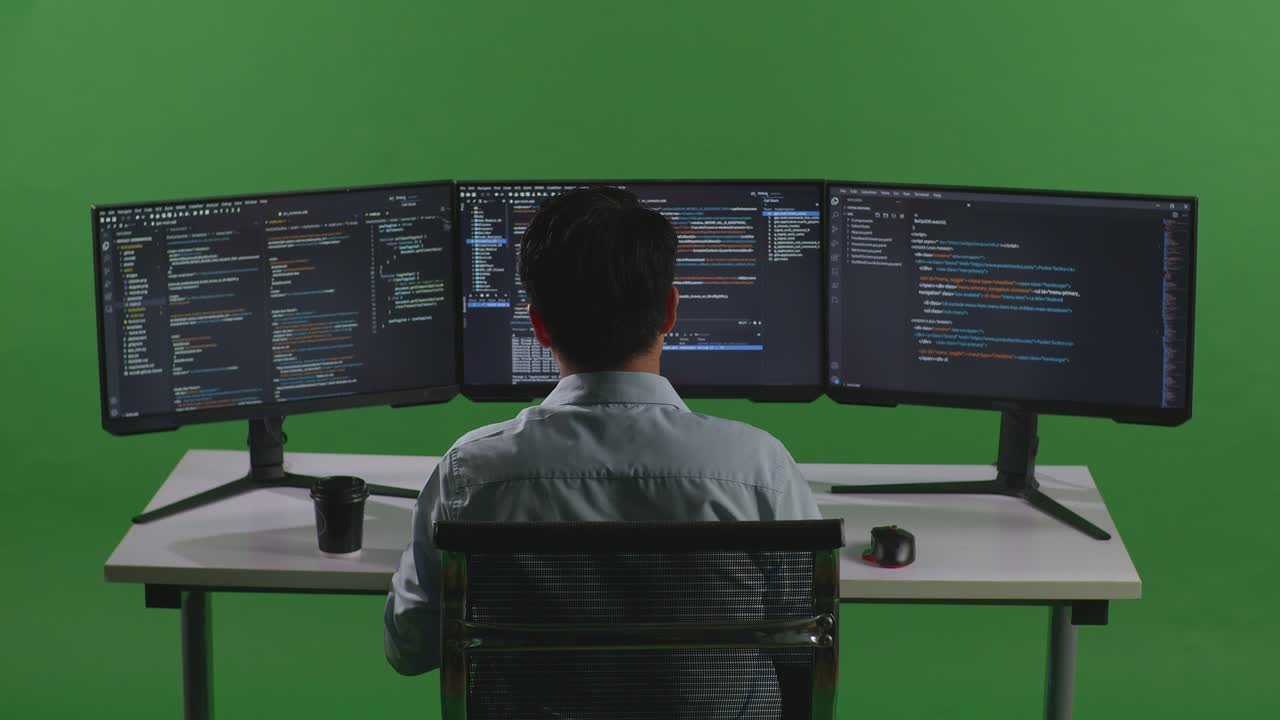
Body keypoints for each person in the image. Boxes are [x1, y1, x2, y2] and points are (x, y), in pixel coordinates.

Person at [384, 186, 820, 712]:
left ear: (539, 324)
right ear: (670, 312)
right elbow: (806, 643)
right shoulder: (758, 468)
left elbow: (409, 648)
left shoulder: (473, 473)